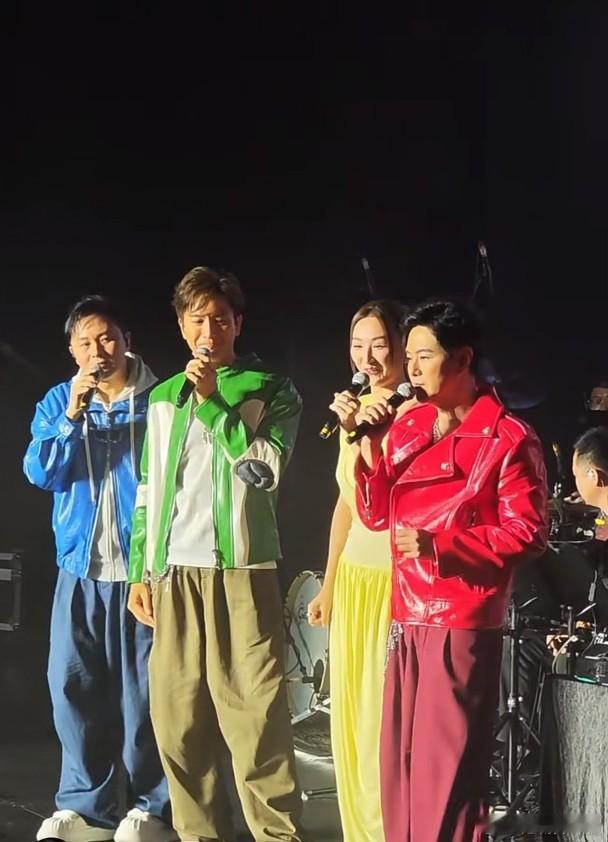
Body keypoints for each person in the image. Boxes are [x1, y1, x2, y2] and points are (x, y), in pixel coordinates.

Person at [353, 298, 548, 842]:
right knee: (400, 766)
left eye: (424, 356)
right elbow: (376, 514)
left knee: (446, 772)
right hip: (406, 610)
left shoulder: (508, 437)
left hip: (458, 615)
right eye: (409, 355)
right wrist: (370, 445)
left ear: (462, 359)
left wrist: (442, 545)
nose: (411, 369)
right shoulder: (409, 425)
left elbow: (528, 532)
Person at [127, 266, 303, 842]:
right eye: (198, 319)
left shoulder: (271, 388)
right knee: (177, 721)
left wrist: (209, 403)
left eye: (220, 319)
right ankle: (198, 833)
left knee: (256, 718)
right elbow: (148, 489)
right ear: (182, 326)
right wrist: (140, 570)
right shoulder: (161, 398)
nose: (209, 331)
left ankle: (277, 834)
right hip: (173, 573)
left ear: (238, 324)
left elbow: (264, 470)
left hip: (242, 571)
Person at [23, 296, 173, 842]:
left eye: (107, 338)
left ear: (127, 340)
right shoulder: (59, 400)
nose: (97, 351)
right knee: (73, 686)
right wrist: (72, 415)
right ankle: (87, 809)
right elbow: (41, 472)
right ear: (71, 350)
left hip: (142, 574)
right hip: (80, 569)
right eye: (85, 342)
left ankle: (154, 807)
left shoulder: (162, 400)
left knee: (145, 694)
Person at [307, 299, 412, 841]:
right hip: (353, 578)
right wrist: (328, 584)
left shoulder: (415, 410)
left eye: (379, 344)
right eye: (357, 345)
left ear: (402, 345)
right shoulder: (355, 412)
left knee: (382, 718)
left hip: (395, 579)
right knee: (348, 716)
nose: (367, 357)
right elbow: (346, 503)